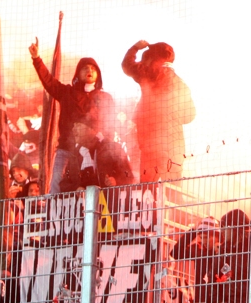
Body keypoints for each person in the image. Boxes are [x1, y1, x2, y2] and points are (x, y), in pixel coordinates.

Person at [30, 39, 114, 194]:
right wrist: (37, 59)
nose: (89, 70)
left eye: (93, 68)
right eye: (85, 68)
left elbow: (111, 124)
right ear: (78, 73)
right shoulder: (67, 93)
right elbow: (49, 82)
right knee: (57, 181)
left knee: (97, 183)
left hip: (94, 151)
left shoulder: (105, 98)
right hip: (66, 150)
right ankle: (53, 214)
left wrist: (104, 144)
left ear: (98, 74)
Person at [121, 40, 195, 182]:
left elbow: (127, 66)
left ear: (151, 58)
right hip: (175, 145)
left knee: (148, 190)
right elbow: (190, 115)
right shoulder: (181, 84)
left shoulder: (149, 73)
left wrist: (135, 48)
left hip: (151, 143)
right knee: (172, 192)